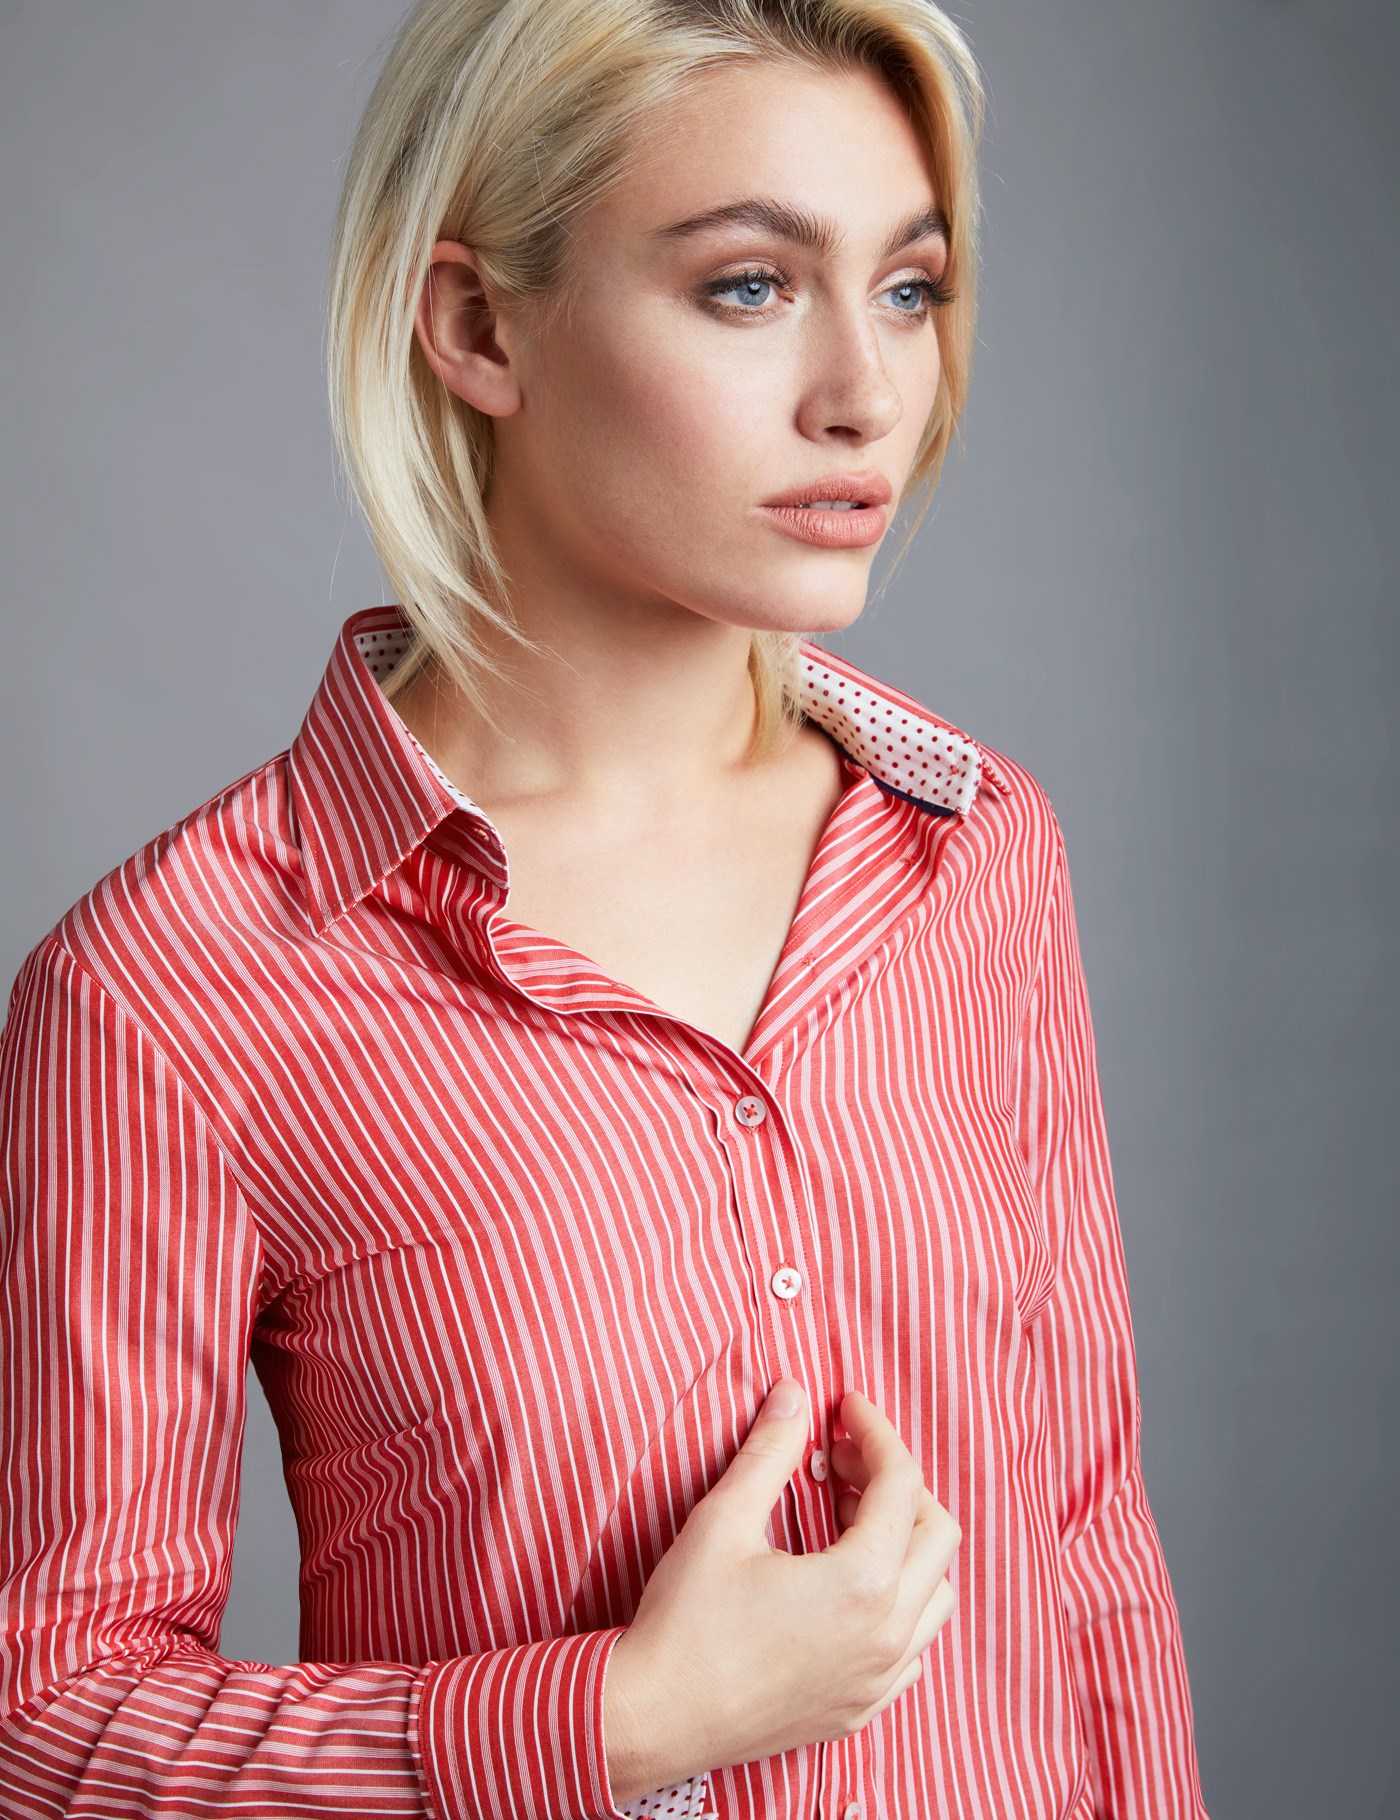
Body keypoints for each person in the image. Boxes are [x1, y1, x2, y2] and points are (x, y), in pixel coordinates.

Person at [0, 2, 1210, 1816]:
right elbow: (49, 1723)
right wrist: (613, 1726)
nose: (868, 396)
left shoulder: (979, 855)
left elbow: (1089, 1542)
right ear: (481, 324)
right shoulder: (170, 993)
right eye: (748, 286)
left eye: (906, 287)